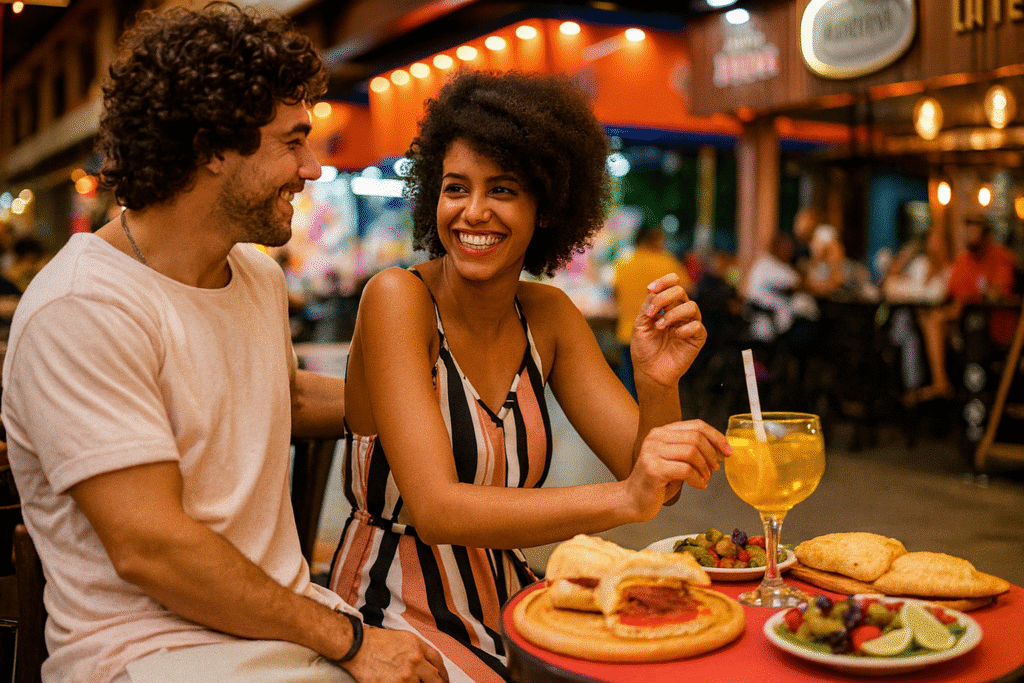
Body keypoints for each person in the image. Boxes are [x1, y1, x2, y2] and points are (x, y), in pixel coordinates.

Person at [0, 4, 446, 683]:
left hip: (277, 625)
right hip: (150, 655)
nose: (312, 167)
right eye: (292, 141)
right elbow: (154, 548)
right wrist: (351, 640)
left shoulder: (255, 274)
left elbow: (282, 392)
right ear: (211, 148)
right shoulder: (84, 307)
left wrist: (443, 389)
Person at [327, 69, 731, 683]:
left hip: (513, 600)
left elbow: (658, 484)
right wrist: (624, 498)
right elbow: (435, 510)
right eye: (455, 188)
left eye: (504, 190)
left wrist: (657, 383)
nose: (474, 212)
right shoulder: (396, 299)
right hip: (390, 610)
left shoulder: (550, 317)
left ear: (548, 207)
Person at [912, 214, 1017, 403]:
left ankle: (948, 387)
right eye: (967, 230)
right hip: (964, 326)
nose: (969, 235)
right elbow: (951, 294)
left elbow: (997, 293)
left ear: (986, 234)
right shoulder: (962, 261)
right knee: (928, 319)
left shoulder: (1000, 257)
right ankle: (937, 383)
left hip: (994, 327)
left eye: (974, 230)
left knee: (949, 319)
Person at [612, 222, 691, 397]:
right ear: (654, 239)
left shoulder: (623, 264)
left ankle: (630, 421)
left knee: (629, 386)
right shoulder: (668, 262)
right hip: (660, 335)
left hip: (628, 333)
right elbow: (686, 292)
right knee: (655, 389)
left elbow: (616, 296)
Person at [881, 227, 952, 404]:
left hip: (941, 322)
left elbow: (939, 296)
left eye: (939, 242)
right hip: (914, 321)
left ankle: (933, 384)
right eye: (931, 241)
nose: (934, 246)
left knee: (927, 323)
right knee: (907, 327)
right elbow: (891, 287)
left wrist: (915, 292)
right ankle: (912, 388)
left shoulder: (950, 270)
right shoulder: (920, 264)